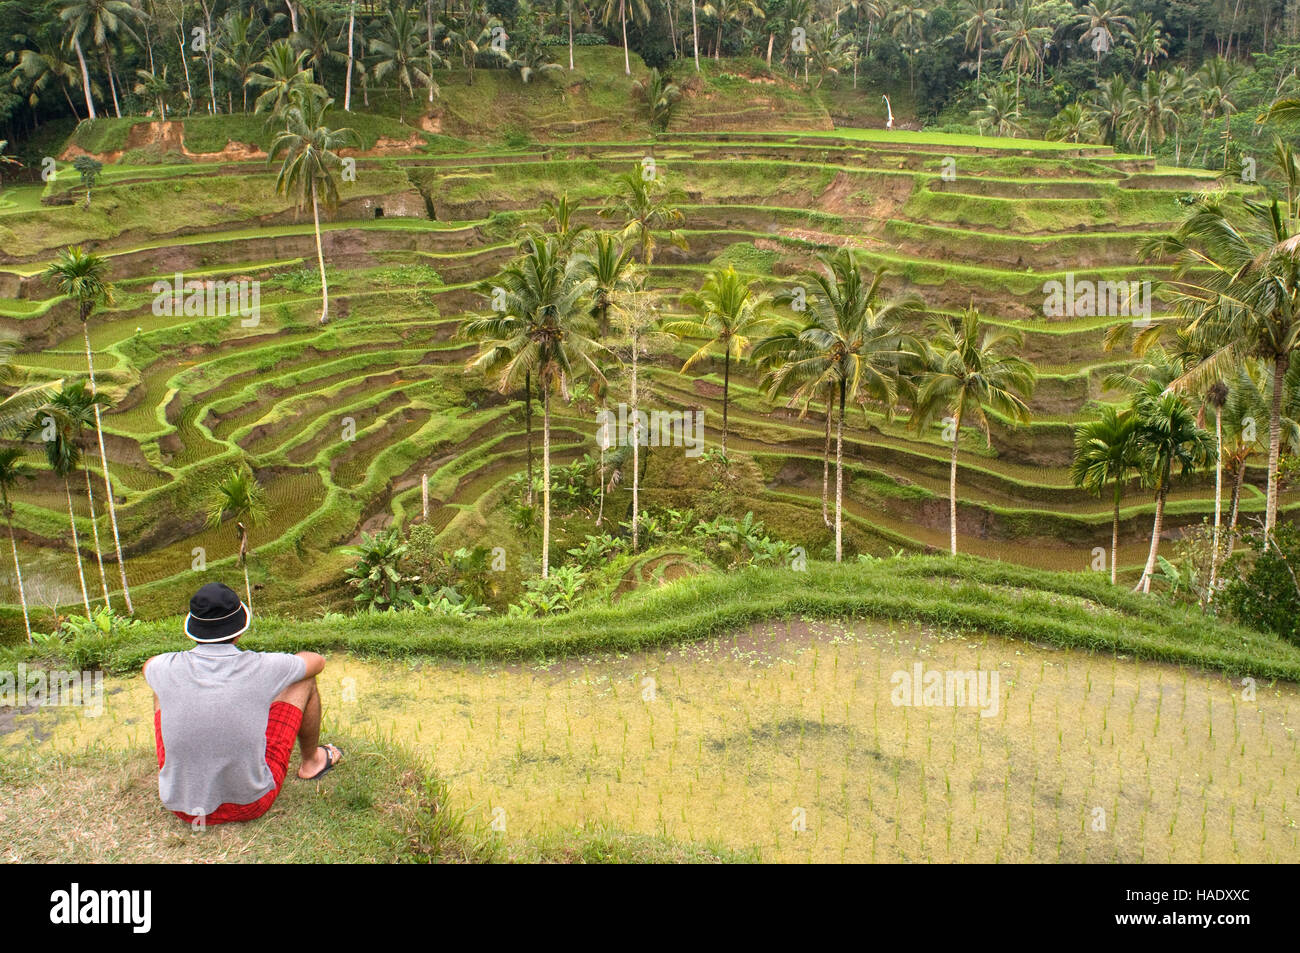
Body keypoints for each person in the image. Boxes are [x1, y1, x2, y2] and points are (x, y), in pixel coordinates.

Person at [143, 581, 343, 825]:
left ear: (193, 629)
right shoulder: (263, 666)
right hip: (249, 805)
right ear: (239, 631)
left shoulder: (163, 667)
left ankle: (188, 770)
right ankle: (311, 762)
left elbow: (149, 665)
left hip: (182, 805)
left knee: (160, 688)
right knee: (304, 681)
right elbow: (317, 661)